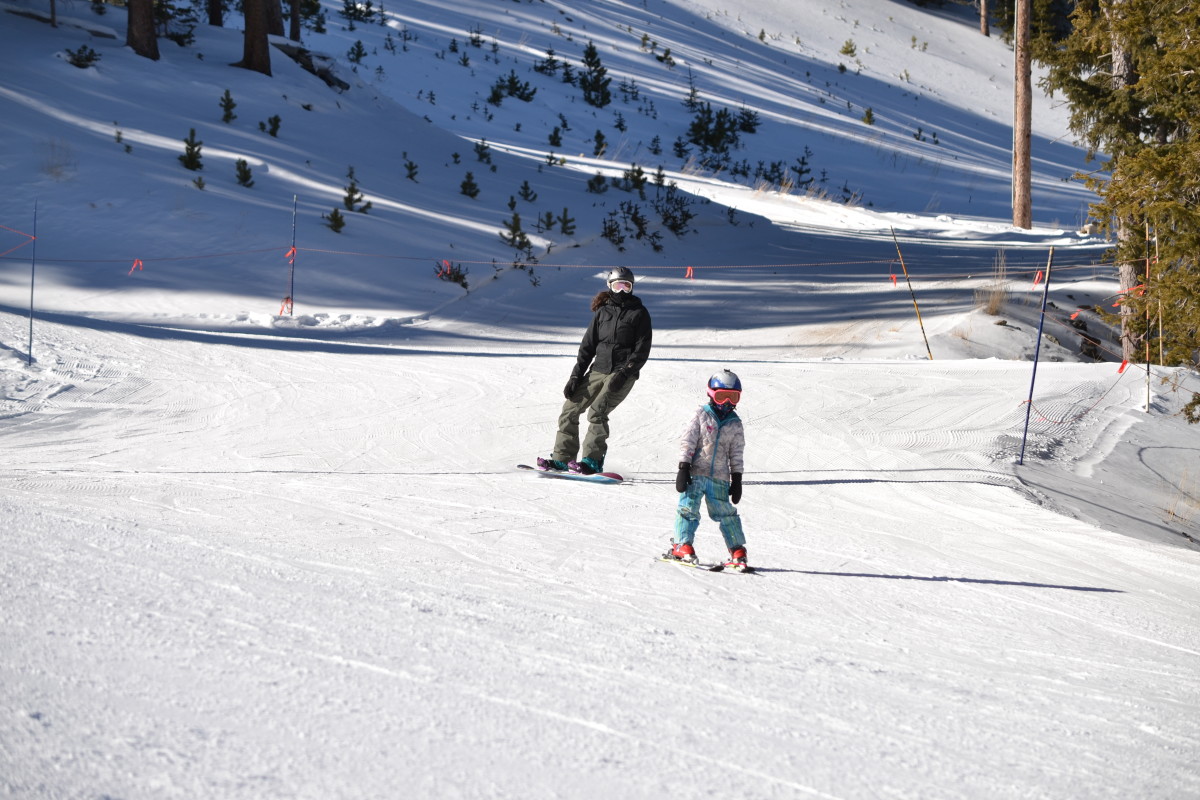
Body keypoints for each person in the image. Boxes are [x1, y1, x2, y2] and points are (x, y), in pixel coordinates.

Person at [538, 266, 652, 475]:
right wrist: (575, 376)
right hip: (598, 369)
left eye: (626, 286)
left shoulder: (639, 313)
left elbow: (642, 350)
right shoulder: (603, 312)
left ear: (632, 288)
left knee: (597, 412)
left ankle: (592, 461)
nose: (621, 291)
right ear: (609, 287)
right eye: (617, 286)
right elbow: (587, 347)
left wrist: (624, 373)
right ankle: (563, 458)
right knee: (569, 411)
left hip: (621, 372)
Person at [663, 369, 748, 570]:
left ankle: (738, 550)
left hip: (719, 478)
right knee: (688, 510)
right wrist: (683, 467)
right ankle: (683, 545)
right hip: (695, 474)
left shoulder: (735, 424)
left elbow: (736, 453)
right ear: (711, 394)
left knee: (726, 513)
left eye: (732, 397)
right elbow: (688, 441)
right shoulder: (701, 414)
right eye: (721, 396)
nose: (727, 402)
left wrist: (737, 479)